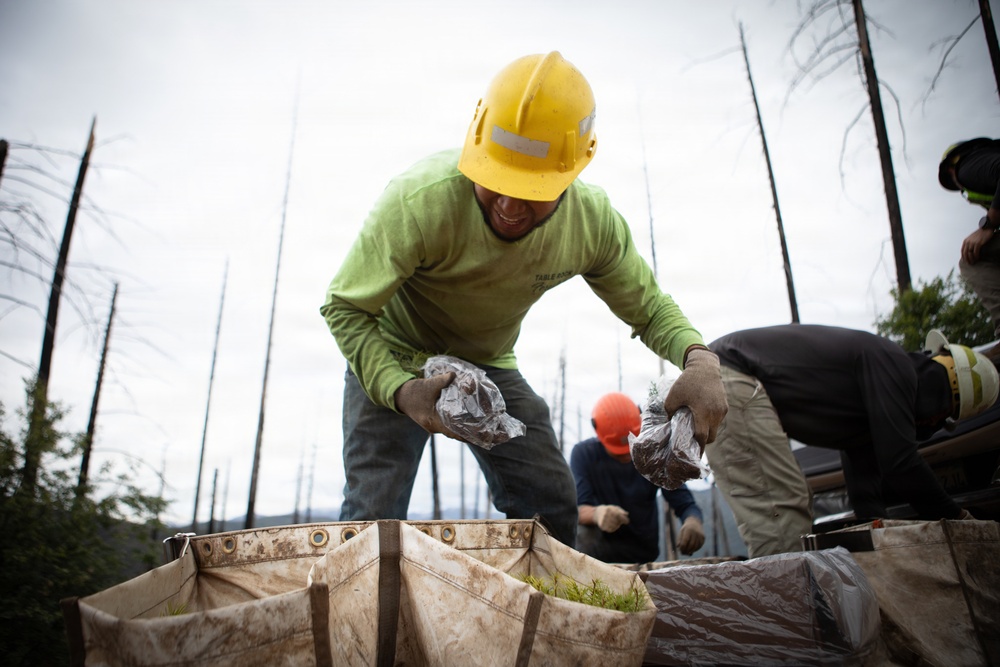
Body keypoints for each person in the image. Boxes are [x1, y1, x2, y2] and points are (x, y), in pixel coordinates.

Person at [319, 52, 728, 548]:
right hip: (393, 352)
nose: (509, 206)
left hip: (488, 362)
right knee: (371, 517)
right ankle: (360, 621)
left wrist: (699, 358)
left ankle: (542, 619)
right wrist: (399, 390)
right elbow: (345, 308)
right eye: (495, 182)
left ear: (572, 171)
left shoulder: (589, 224)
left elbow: (649, 307)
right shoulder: (419, 202)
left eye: (531, 190)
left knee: (551, 503)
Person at [705, 324, 999, 559]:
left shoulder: (870, 409)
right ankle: (786, 625)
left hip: (726, 377)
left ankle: (786, 613)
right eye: (941, 416)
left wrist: (879, 538)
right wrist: (959, 517)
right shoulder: (894, 364)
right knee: (782, 510)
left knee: (788, 506)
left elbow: (866, 493)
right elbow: (900, 462)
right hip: (730, 377)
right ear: (946, 395)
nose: (932, 424)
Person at [571, 392, 705, 564]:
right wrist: (597, 514)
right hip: (600, 554)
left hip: (643, 551)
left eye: (631, 445)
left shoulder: (652, 453)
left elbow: (683, 501)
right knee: (583, 532)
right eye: (620, 452)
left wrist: (693, 520)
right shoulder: (584, 454)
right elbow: (579, 509)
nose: (628, 455)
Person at [938, 138, 1000, 361]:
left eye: (956, 187)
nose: (962, 189)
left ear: (951, 169)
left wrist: (988, 225)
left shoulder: (968, 167)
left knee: (973, 257)